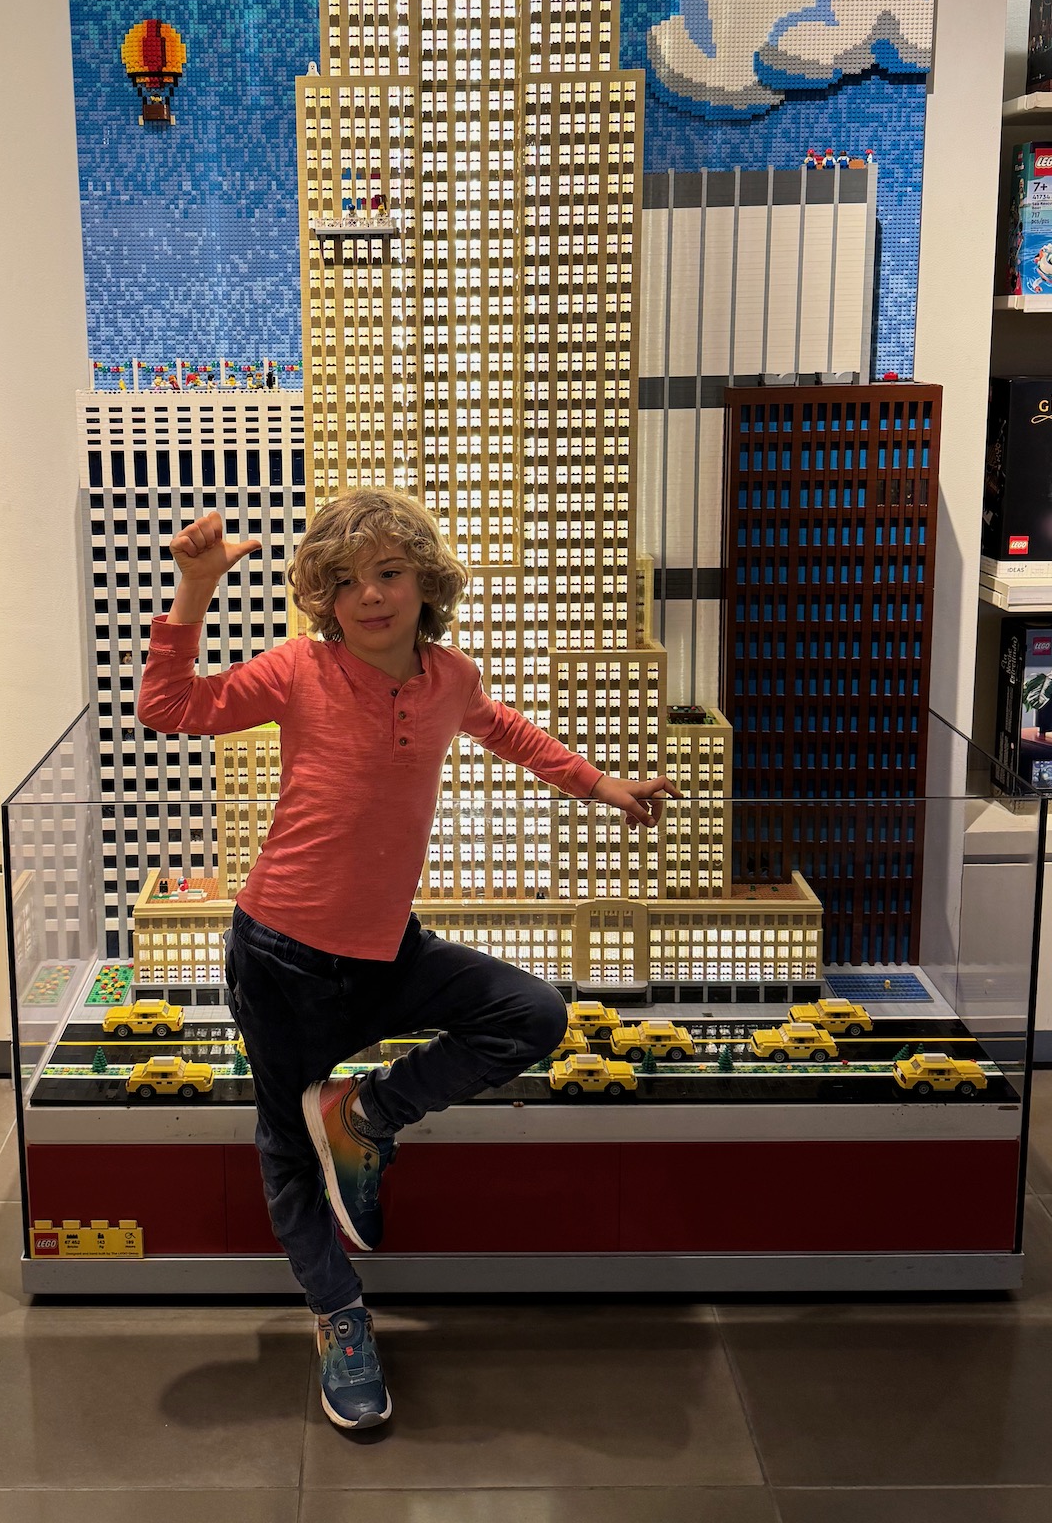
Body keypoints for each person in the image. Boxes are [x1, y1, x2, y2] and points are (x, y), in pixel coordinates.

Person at [136, 489, 679, 1434]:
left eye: (389, 574)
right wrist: (192, 588)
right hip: (283, 957)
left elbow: (508, 730)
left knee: (534, 1015)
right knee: (284, 1152)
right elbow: (169, 706)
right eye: (345, 582)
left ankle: (368, 1112)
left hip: (390, 948)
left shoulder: (450, 678)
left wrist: (602, 785)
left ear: (426, 583)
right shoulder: (298, 669)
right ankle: (339, 1317)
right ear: (321, 597)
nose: (370, 597)